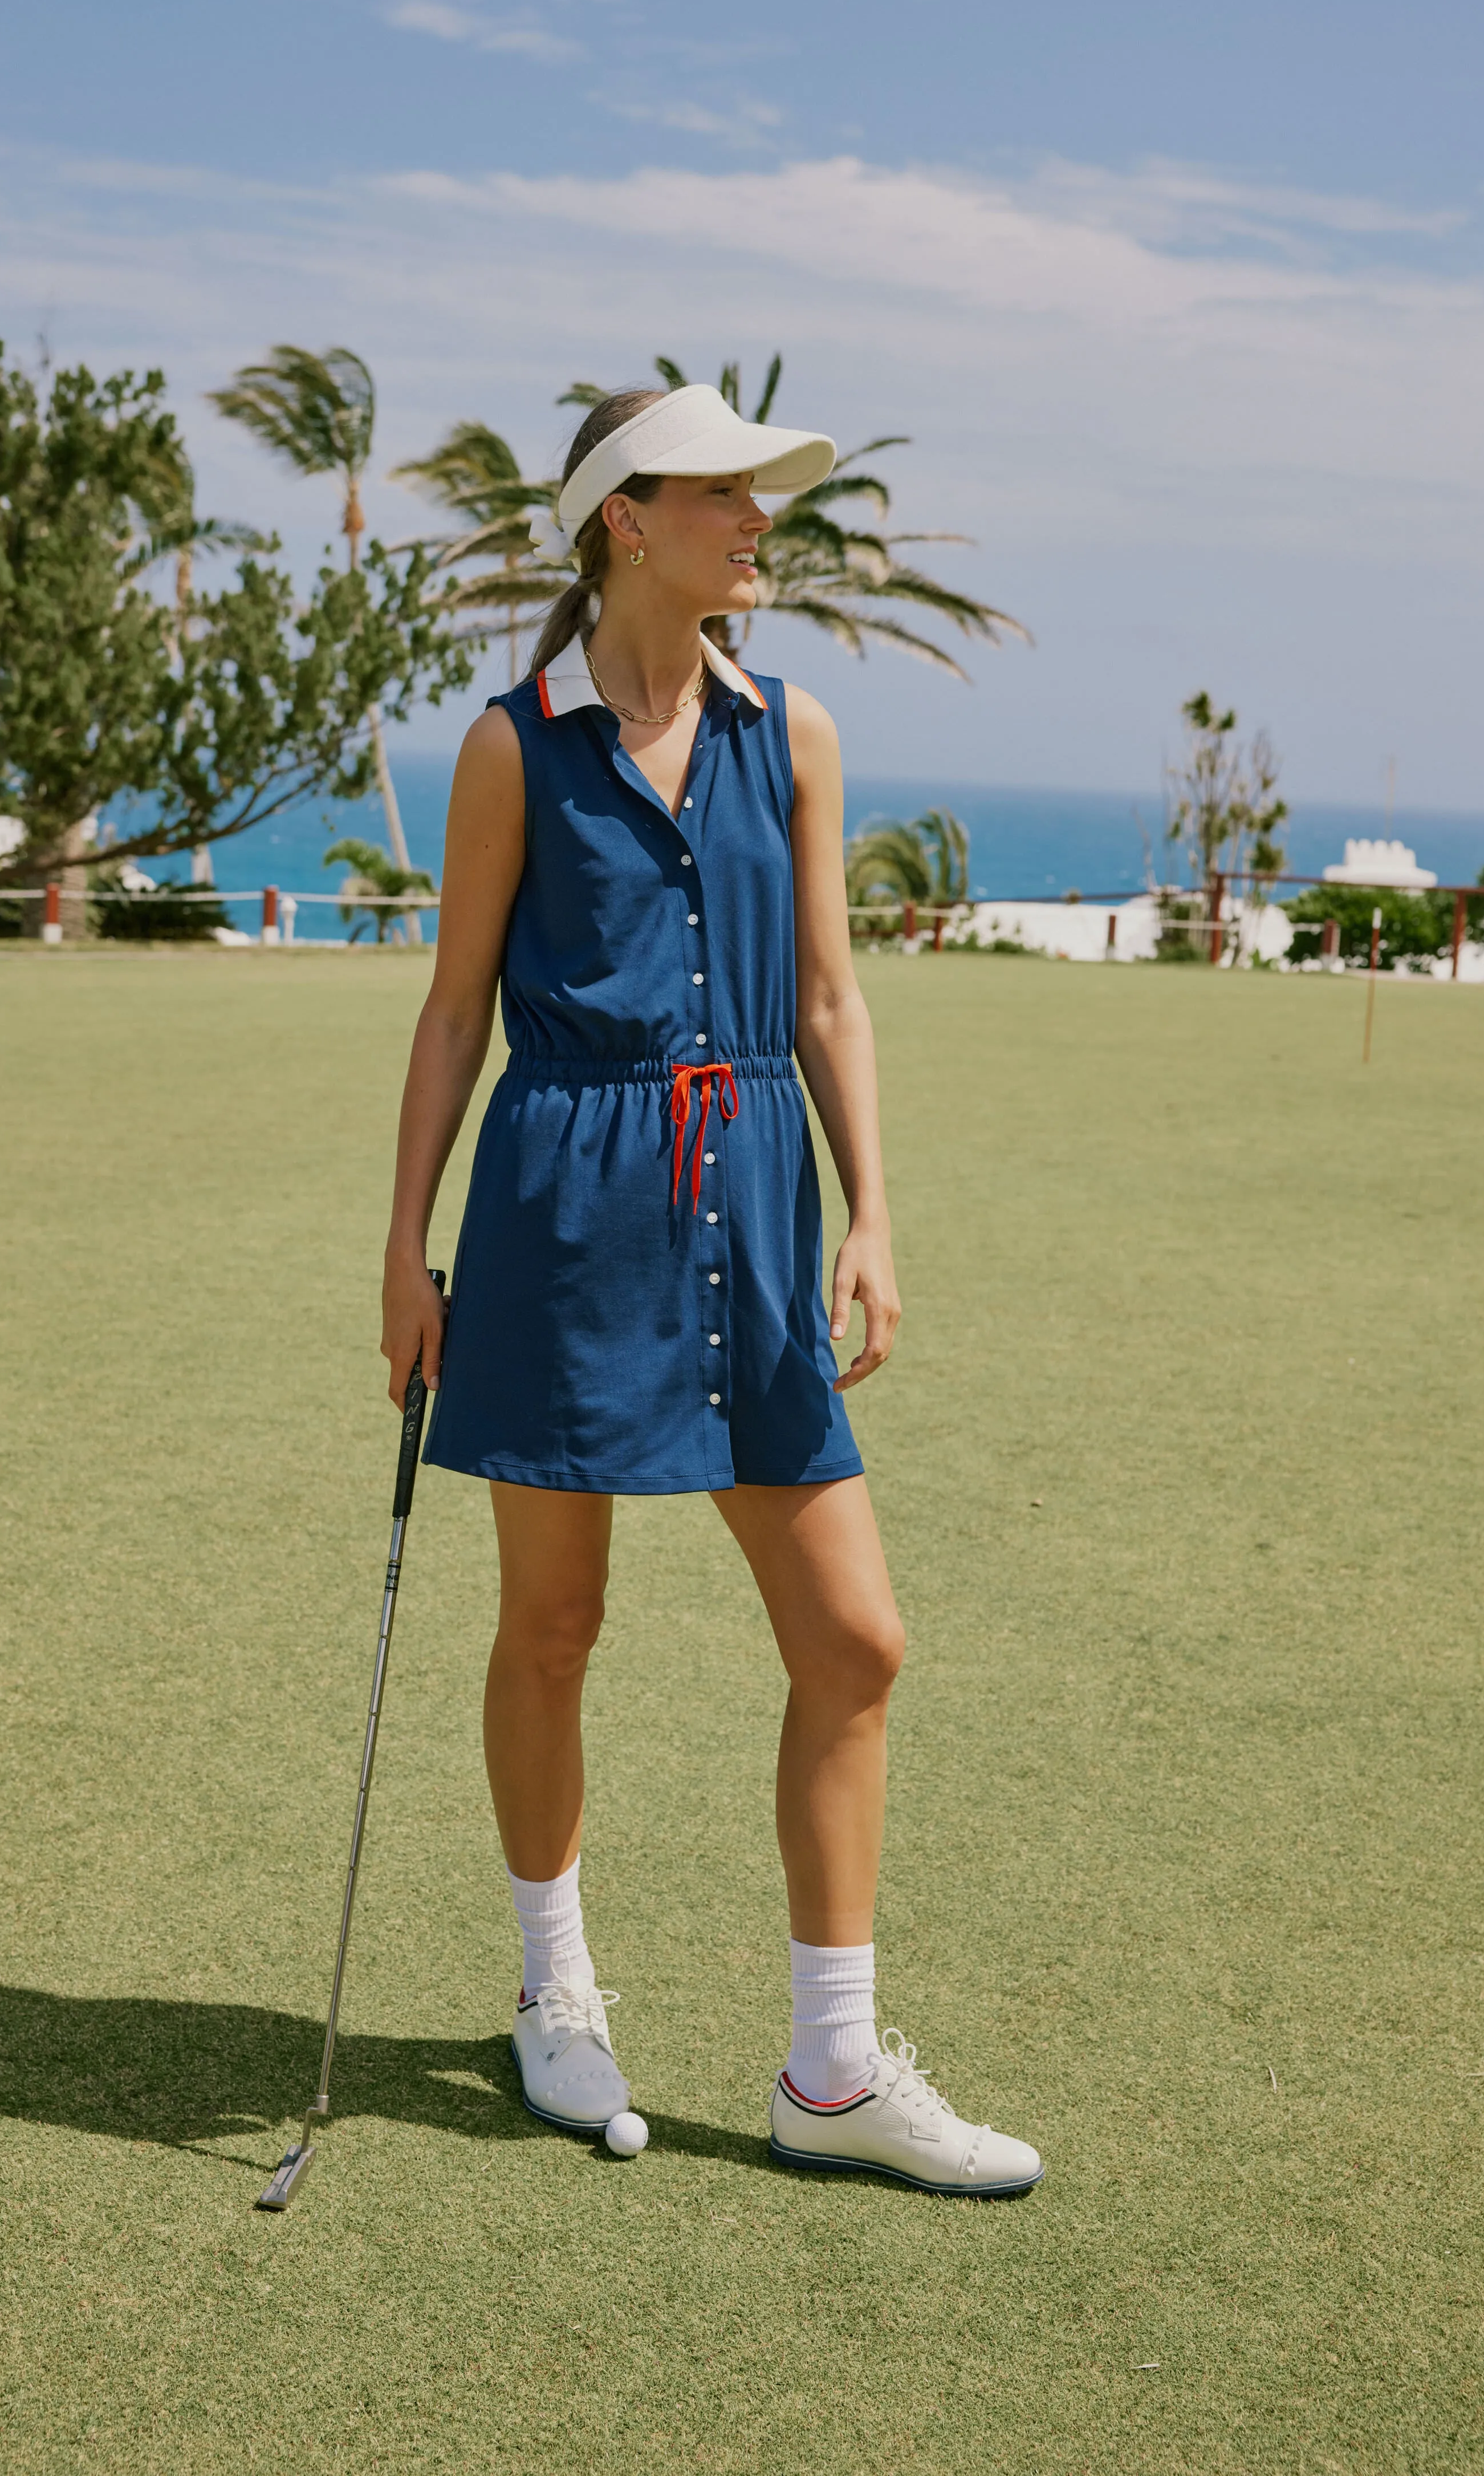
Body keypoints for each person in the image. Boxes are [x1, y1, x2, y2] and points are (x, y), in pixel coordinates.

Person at [380, 381, 1042, 2196]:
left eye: (764, 495)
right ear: (627, 521)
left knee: (854, 1640)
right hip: (563, 1211)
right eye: (727, 494)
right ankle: (555, 1993)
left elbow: (828, 995)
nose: (764, 522)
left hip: (755, 1201)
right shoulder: (514, 744)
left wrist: (875, 1211)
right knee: (554, 1628)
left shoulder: (796, 731)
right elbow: (455, 1011)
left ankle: (831, 2070)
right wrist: (404, 1250)